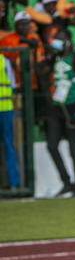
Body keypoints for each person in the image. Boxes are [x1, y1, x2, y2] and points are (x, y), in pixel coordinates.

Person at [38, 29, 75, 197]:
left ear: (68, 40)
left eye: (60, 39)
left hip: (74, 106)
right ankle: (67, 182)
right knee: (52, 145)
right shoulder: (54, 58)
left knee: (73, 148)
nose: (57, 42)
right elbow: (41, 73)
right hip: (56, 107)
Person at [0, 52, 20, 190]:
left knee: (8, 146)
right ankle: (13, 183)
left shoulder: (4, 61)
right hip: (6, 109)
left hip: (5, 109)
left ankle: (13, 183)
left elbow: (12, 86)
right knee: (8, 146)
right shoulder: (4, 61)